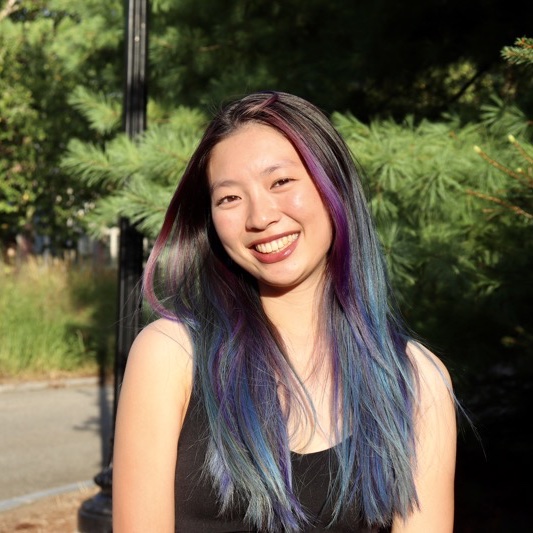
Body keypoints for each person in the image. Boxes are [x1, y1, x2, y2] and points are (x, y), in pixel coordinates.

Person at [112, 91, 456, 532]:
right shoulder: (171, 356)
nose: (260, 217)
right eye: (230, 199)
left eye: (281, 182)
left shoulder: (416, 382)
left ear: (334, 187)